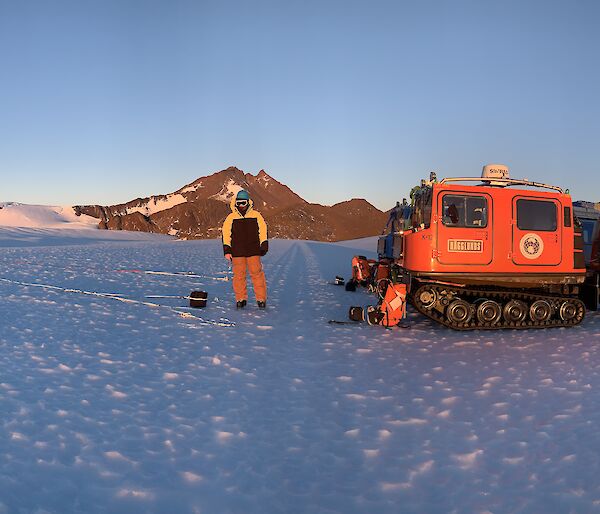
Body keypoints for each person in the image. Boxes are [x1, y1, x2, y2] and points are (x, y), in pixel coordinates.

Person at [222, 190, 268, 309]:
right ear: (235, 203)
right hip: (237, 252)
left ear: (248, 202)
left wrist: (264, 243)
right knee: (239, 276)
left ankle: (261, 299)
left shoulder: (256, 215)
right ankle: (240, 299)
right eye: (239, 203)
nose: (241, 205)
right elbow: (226, 234)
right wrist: (227, 249)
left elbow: (262, 230)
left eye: (243, 203)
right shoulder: (231, 218)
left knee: (257, 275)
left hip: (253, 250)